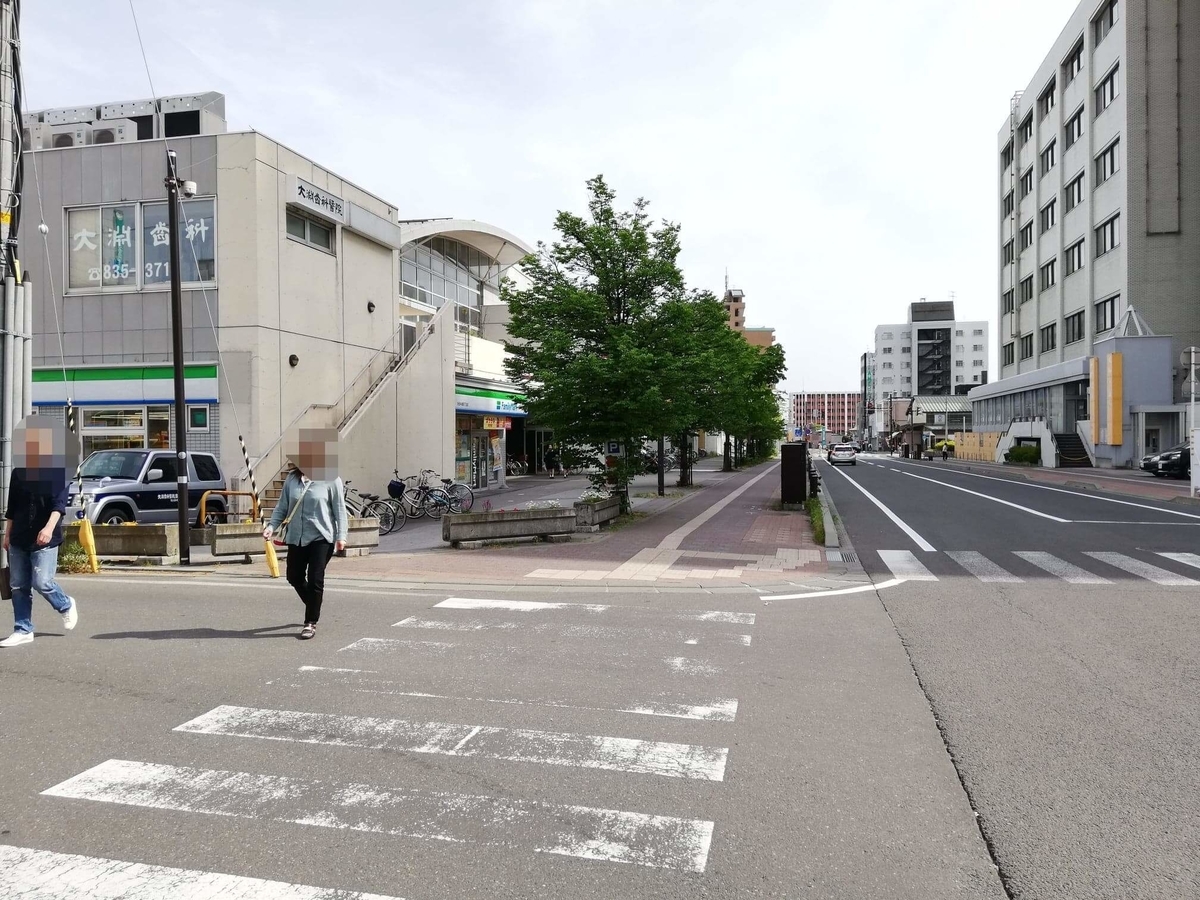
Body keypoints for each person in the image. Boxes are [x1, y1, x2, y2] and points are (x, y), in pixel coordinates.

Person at [263, 428, 348, 640]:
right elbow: (282, 507)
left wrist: (341, 537)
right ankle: (313, 602)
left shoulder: (331, 479)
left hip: (321, 537)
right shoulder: (292, 480)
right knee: (294, 576)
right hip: (296, 537)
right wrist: (271, 526)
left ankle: (310, 621)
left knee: (316, 578)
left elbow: (339, 510)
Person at [1, 421, 78, 648]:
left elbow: (59, 506)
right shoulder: (18, 473)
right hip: (19, 537)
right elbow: (12, 507)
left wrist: (47, 528)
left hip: (45, 538)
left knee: (42, 582)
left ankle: (65, 605)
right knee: (18, 585)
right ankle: (23, 629)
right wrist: (7, 535)